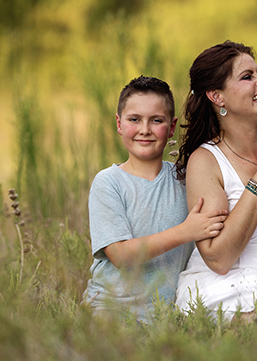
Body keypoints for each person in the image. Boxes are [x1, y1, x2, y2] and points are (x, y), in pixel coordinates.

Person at [172, 41, 257, 320]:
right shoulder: (206, 161)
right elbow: (219, 259)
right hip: (224, 289)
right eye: (248, 77)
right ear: (217, 97)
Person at [84, 76, 228, 322]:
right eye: (134, 119)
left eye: (156, 121)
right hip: (111, 308)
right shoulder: (109, 182)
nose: (145, 130)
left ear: (171, 127)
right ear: (119, 124)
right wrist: (185, 232)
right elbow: (120, 255)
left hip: (168, 313)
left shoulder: (186, 177)